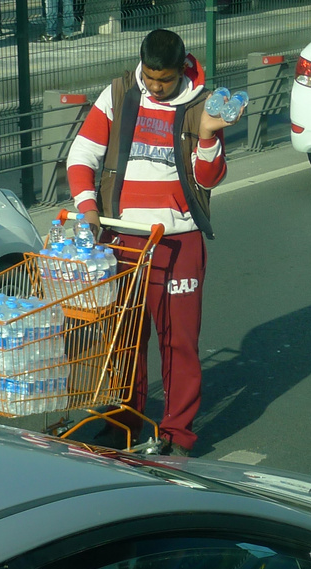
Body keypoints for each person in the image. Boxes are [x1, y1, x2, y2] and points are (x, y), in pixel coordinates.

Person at [65, 29, 234, 457]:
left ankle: (177, 433)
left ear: (182, 70)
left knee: (178, 340)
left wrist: (210, 135)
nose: (156, 88)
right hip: (122, 234)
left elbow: (209, 179)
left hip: (179, 240)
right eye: (150, 78)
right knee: (124, 335)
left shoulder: (201, 105)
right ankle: (124, 420)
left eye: (164, 81)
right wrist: (88, 209)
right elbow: (81, 155)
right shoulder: (120, 93)